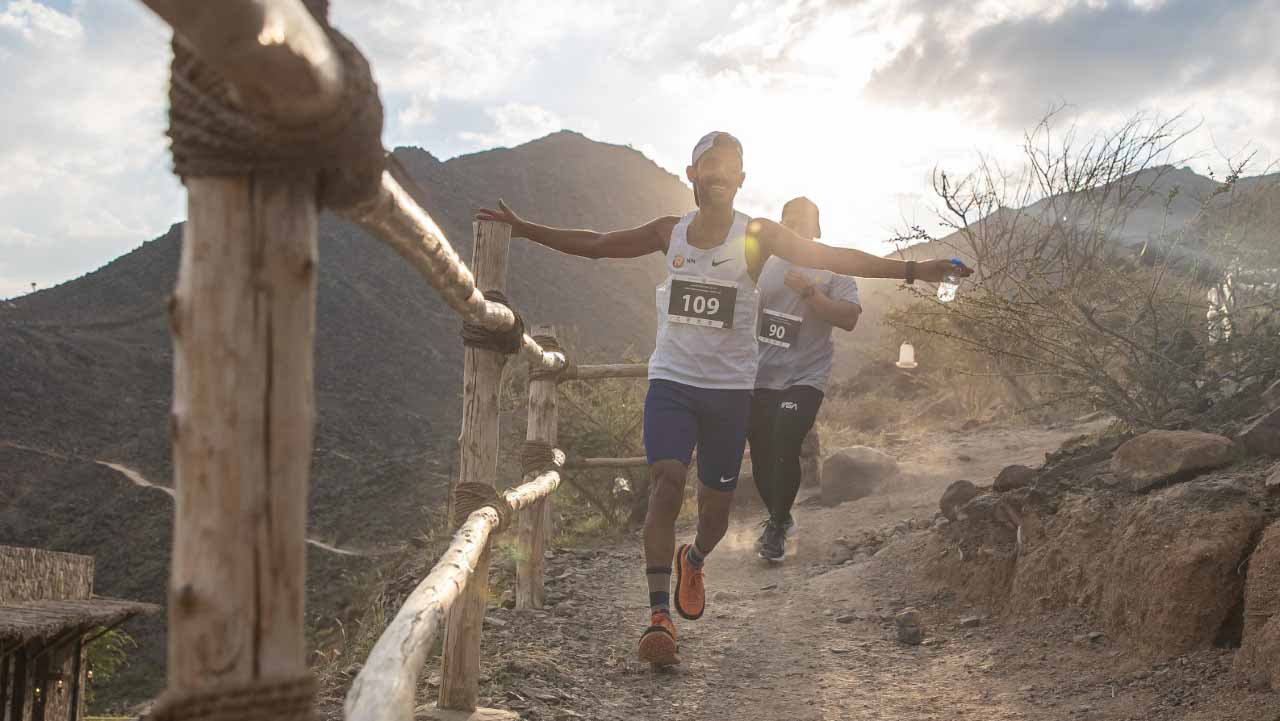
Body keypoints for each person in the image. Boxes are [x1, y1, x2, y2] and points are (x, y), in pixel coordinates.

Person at [476, 131, 968, 667]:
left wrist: (916, 270)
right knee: (666, 482)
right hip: (672, 383)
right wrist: (526, 229)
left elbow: (831, 256)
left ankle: (694, 559)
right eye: (708, 164)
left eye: (729, 166)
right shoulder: (670, 232)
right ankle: (659, 617)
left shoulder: (756, 236)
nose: (718, 174)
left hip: (731, 392)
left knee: (715, 514)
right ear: (692, 174)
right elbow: (598, 243)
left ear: (741, 179)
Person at [749, 197, 861, 562]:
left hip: (807, 375)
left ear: (817, 228)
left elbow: (849, 317)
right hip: (761, 375)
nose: (794, 225)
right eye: (787, 219)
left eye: (802, 220)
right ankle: (780, 517)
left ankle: (776, 527)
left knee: (785, 437)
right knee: (762, 454)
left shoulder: (833, 266)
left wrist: (810, 293)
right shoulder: (765, 264)